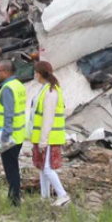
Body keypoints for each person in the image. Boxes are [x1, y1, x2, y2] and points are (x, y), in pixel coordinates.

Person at [30, 60, 70, 206]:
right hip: (45, 136)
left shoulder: (50, 92)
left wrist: (43, 140)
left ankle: (63, 195)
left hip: (50, 137)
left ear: (40, 74)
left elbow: (48, 118)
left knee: (47, 168)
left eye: (35, 72)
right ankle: (44, 197)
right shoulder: (46, 89)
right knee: (42, 168)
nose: (34, 75)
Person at [0, 59, 26, 206]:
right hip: (18, 135)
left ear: (6, 72)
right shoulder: (18, 85)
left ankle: (14, 201)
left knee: (11, 170)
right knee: (13, 168)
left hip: (9, 137)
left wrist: (4, 137)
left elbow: (9, 114)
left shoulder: (8, 89)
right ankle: (13, 197)